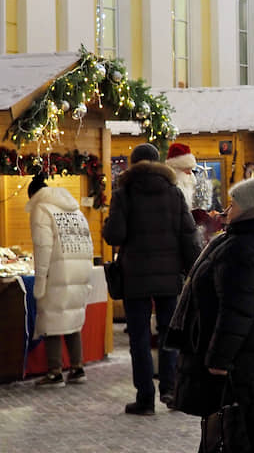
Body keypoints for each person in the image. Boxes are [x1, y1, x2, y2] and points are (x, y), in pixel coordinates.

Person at [168, 175, 254, 452]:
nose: (226, 210)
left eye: (233, 204)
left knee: (236, 428)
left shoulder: (242, 247)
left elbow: (235, 312)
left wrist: (219, 359)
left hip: (241, 357)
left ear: (251, 208)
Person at [102, 143, 201, 415]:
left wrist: (106, 227)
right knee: (170, 335)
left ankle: (145, 397)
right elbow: (189, 235)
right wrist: (195, 268)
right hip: (169, 277)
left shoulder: (124, 194)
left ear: (134, 164)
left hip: (135, 278)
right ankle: (170, 390)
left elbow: (115, 236)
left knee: (139, 339)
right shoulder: (173, 193)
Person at [26, 173, 94, 387]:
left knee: (51, 320)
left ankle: (55, 372)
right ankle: (77, 368)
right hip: (78, 271)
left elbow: (43, 248)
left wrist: (40, 282)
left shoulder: (41, 209)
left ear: (33, 195)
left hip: (56, 273)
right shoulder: (74, 210)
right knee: (72, 319)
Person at [165, 142, 197, 209]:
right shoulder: (167, 190)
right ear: (176, 170)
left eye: (191, 169)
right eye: (186, 169)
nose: (190, 173)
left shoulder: (189, 186)